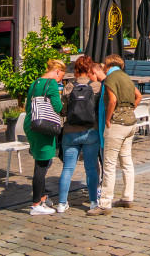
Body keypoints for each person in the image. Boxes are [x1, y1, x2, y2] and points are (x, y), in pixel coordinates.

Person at [89, 54, 142, 216]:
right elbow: (138, 96)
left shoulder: (111, 78)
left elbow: (112, 100)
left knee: (109, 165)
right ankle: (127, 197)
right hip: (131, 123)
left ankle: (104, 204)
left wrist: (107, 119)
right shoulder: (126, 77)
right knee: (127, 161)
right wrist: (129, 111)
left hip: (117, 124)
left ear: (107, 65)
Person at [58, 56, 104, 213]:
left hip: (70, 132)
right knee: (91, 168)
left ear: (76, 69)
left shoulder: (69, 87)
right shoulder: (97, 86)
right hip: (91, 131)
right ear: (90, 68)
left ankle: (62, 203)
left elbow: (62, 110)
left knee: (67, 168)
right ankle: (92, 202)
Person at [25, 59, 66, 215]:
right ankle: (36, 204)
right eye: (61, 76)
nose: (60, 80)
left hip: (32, 124)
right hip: (44, 127)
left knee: (41, 160)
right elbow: (58, 107)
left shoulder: (35, 83)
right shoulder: (52, 84)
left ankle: (42, 197)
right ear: (57, 71)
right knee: (42, 165)